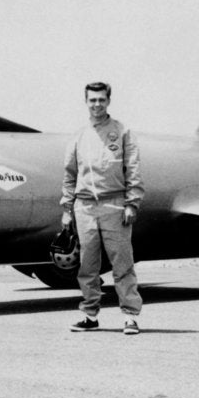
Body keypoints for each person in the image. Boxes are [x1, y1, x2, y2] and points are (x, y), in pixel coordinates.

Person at [61, 81, 145, 334]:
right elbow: (69, 174)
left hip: (114, 204)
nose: (97, 104)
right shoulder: (78, 135)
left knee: (122, 263)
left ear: (108, 101)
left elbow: (133, 169)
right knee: (87, 265)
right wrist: (67, 209)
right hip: (84, 206)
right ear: (86, 102)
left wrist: (132, 203)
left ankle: (130, 316)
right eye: (92, 100)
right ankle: (90, 315)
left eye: (101, 100)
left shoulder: (122, 131)